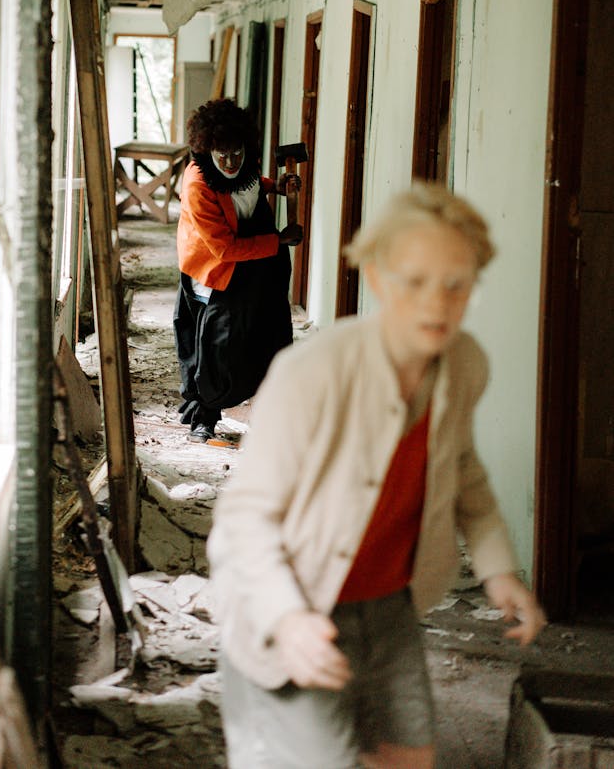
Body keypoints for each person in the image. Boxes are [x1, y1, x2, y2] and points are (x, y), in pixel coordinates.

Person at [207, 181, 547, 769]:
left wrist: (498, 571)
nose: (437, 303)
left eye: (456, 284)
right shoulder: (312, 373)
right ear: (379, 279)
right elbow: (244, 519)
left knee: (408, 755)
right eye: (415, 282)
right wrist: (287, 617)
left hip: (389, 604)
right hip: (294, 593)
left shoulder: (464, 364)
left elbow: (464, 473)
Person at [173, 98, 301, 443]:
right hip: (216, 270)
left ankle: (269, 410)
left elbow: (250, 182)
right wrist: (279, 241)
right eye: (222, 155)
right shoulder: (198, 184)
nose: (230, 162)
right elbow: (225, 248)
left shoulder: (243, 164)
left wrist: (277, 186)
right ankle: (204, 416)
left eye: (237, 153)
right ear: (207, 151)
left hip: (253, 260)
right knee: (217, 348)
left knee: (265, 332)